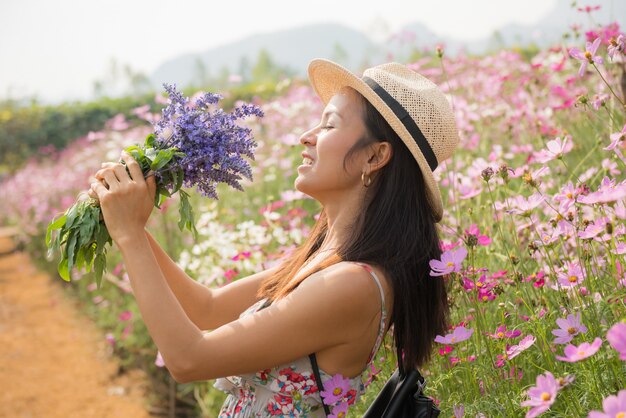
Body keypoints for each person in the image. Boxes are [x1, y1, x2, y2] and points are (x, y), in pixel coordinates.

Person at [90, 58, 460, 417]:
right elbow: (205, 308)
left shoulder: (352, 284)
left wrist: (130, 236)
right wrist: (127, 221)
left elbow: (189, 359)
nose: (307, 136)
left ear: (375, 156)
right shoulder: (327, 259)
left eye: (329, 126)